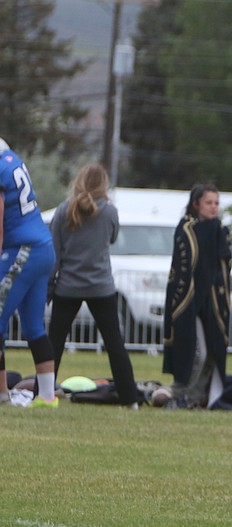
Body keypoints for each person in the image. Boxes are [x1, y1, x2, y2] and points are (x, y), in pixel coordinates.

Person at [47, 163, 138, 408]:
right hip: (101, 287)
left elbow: (55, 254)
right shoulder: (109, 212)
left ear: (79, 181)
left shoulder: (64, 210)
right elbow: (113, 237)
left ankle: (43, 392)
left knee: (54, 342)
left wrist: (48, 289)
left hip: (68, 287)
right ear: (104, 185)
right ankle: (130, 398)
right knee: (114, 344)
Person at [162, 184, 232, 409]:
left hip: (211, 300)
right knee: (196, 350)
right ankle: (180, 391)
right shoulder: (186, 228)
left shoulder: (220, 229)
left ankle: (196, 396)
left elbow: (222, 265)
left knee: (213, 348)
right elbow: (185, 265)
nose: (213, 207)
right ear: (196, 204)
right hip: (189, 298)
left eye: (216, 203)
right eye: (208, 203)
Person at [0, 138, 58, 408]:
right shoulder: (13, 160)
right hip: (43, 247)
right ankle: (47, 397)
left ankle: (2, 394)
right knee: (33, 326)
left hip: (22, 249)